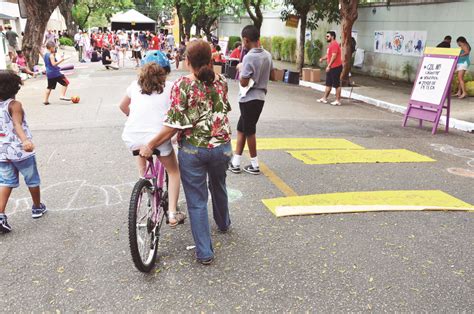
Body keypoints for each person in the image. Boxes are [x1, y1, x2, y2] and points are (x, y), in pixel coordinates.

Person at [139, 40, 232, 265]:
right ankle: (224, 222)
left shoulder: (182, 85)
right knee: (218, 184)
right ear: (210, 59)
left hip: (194, 151)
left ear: (187, 61)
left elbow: (173, 124)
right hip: (222, 147)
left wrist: (150, 144)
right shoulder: (222, 81)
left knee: (197, 201)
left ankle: (205, 253)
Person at [120, 52, 185, 228]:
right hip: (158, 137)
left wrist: (131, 115)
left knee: (141, 148)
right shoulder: (171, 87)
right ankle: (172, 212)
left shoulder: (134, 86)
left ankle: (144, 182)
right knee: (173, 171)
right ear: (166, 71)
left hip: (132, 135)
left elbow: (122, 106)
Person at [0, 70, 48, 233]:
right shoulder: (14, 105)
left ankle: (0, 215)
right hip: (20, 151)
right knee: (32, 179)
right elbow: (17, 124)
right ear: (14, 88)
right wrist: (25, 140)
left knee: (6, 182)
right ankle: (37, 207)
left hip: (3, 153)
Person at [229, 25, 272, 175]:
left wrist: (241, 68)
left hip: (249, 98)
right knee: (242, 128)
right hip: (260, 97)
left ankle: (254, 164)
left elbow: (244, 82)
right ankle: (236, 161)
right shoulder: (267, 55)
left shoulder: (249, 57)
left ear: (246, 40)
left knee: (249, 131)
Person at [318, 31, 343, 106]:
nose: (326, 38)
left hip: (335, 67)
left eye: (328, 36)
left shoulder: (334, 44)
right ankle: (324, 98)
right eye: (326, 36)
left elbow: (334, 56)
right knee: (328, 84)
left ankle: (338, 100)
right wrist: (322, 58)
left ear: (332, 37)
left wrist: (329, 66)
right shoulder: (330, 45)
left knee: (336, 84)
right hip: (331, 67)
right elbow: (329, 55)